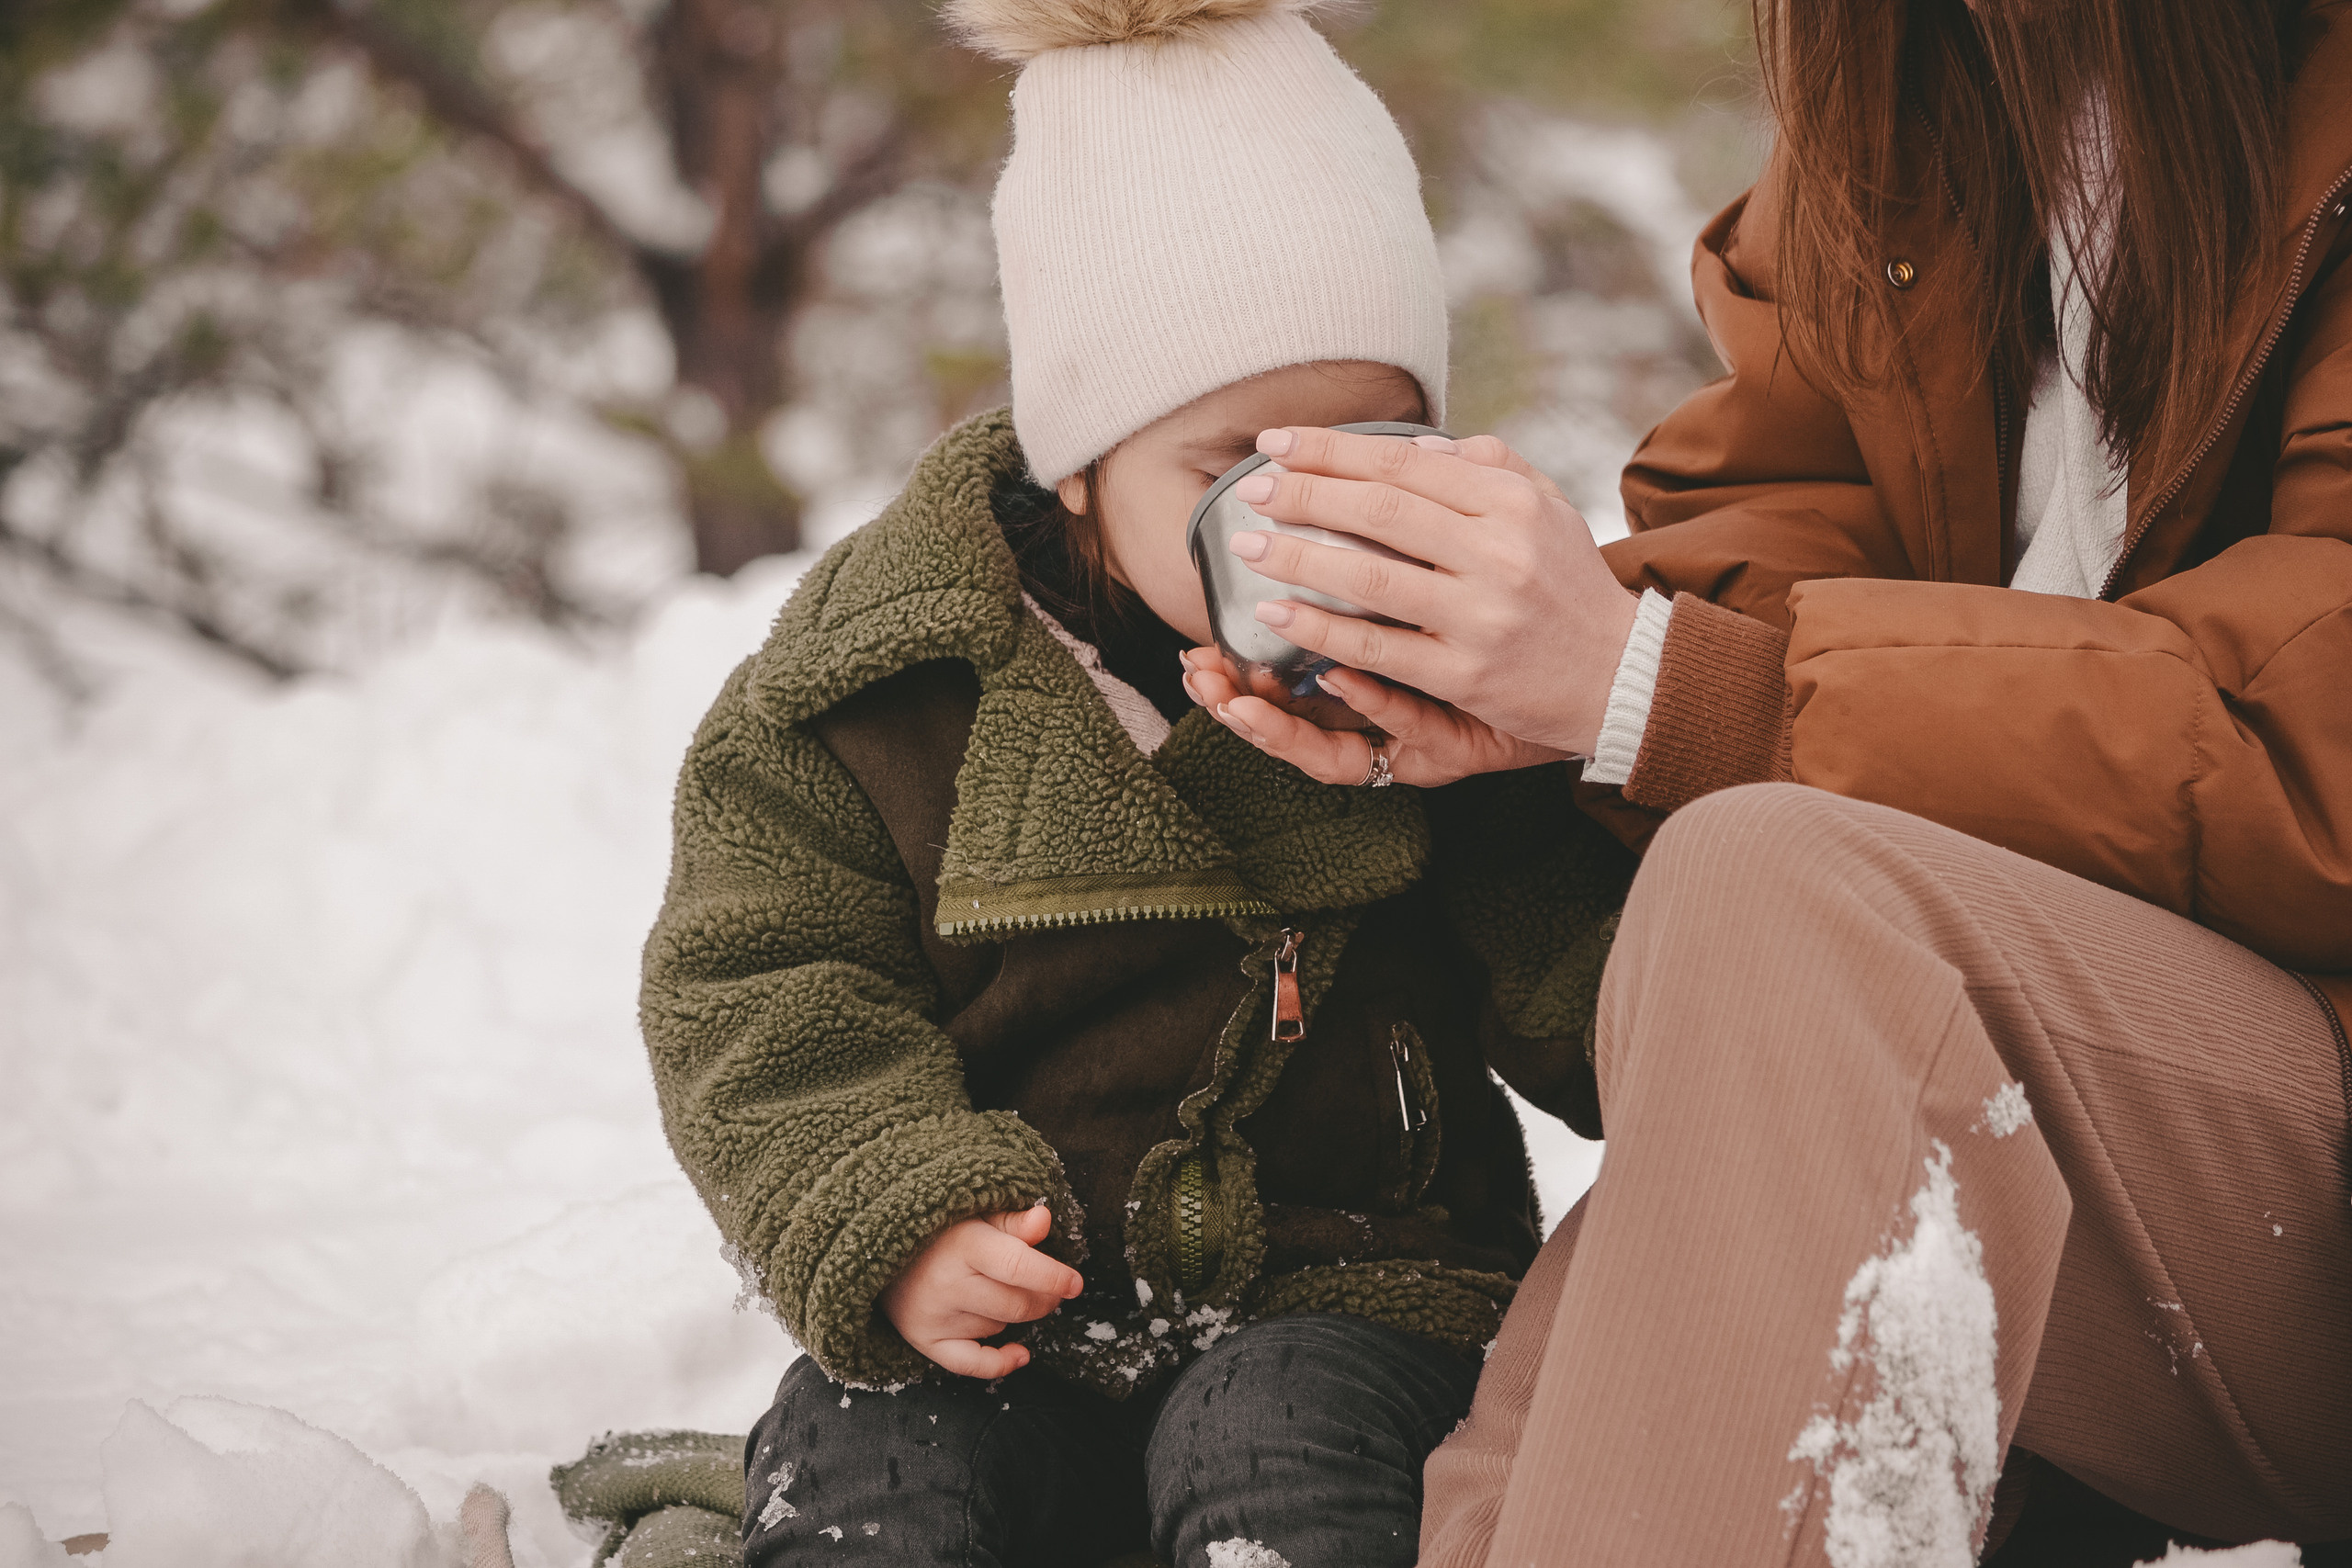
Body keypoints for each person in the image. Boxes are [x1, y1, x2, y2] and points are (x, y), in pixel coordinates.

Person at [1182, 0, 2352, 1560]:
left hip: (2297, 1174)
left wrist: (1670, 686)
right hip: (2042, 1067)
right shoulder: (1924, 78)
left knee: (1785, 903)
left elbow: (2316, 728)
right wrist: (1532, 680)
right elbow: (1795, 497)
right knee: (1549, 1475)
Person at [636, 3, 1632, 1564]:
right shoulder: (874, 696)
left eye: (1371, 451)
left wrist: (1558, 750)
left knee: (1276, 1444)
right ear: (1082, 460)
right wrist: (897, 1222)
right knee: (868, 1456)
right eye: (1237, 467)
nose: (1305, 518)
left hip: (1354, 1297)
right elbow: (762, 991)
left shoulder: (1445, 695)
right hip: (1005, 1314)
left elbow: (1606, 1010)